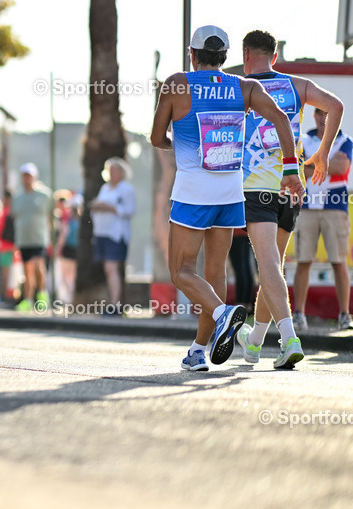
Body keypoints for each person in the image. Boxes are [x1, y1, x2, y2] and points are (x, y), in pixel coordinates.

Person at [151, 25, 304, 371]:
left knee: (181, 272)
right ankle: (197, 351)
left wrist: (182, 145)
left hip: (193, 192)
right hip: (231, 194)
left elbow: (157, 137)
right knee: (215, 273)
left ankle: (222, 313)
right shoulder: (246, 87)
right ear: (225, 57)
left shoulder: (177, 84)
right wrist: (291, 169)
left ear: (192, 54)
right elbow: (281, 119)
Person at [233, 29, 343, 368]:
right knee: (274, 268)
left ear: (246, 54)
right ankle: (254, 341)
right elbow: (336, 106)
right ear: (275, 56)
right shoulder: (297, 85)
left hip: (257, 188)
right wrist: (322, 154)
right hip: (292, 189)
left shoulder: (242, 88)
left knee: (267, 266)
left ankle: (289, 338)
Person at [293, 107, 352, 330]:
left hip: (335, 208)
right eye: (319, 112)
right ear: (314, 115)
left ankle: (344, 314)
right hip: (306, 207)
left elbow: (342, 167)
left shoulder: (345, 141)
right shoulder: (303, 140)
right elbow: (297, 168)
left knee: (338, 262)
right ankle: (299, 314)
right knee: (303, 261)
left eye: (327, 113)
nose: (323, 118)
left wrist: (311, 164)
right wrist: (326, 164)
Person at [90, 157, 136, 315]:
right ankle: (114, 301)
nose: (112, 173)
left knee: (112, 268)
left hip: (116, 234)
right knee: (108, 269)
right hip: (102, 232)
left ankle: (115, 304)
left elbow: (129, 211)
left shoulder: (126, 189)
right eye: (110, 171)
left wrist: (110, 208)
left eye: (115, 171)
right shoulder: (104, 188)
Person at [12, 163, 52, 311]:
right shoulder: (17, 197)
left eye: (29, 176)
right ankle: (28, 299)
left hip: (39, 238)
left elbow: (51, 215)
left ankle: (42, 296)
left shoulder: (44, 195)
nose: (27, 179)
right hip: (24, 239)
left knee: (38, 266)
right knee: (27, 270)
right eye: (24, 176)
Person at [53, 192, 81, 306]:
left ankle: (70, 297)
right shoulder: (80, 221)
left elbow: (63, 236)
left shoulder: (67, 219)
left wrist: (58, 249)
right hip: (76, 250)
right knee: (72, 276)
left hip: (68, 249)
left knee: (65, 276)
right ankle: (71, 296)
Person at [227, 228, 255, 311]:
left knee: (239, 268)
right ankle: (247, 303)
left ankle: (241, 302)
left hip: (235, 232)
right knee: (246, 267)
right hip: (246, 232)